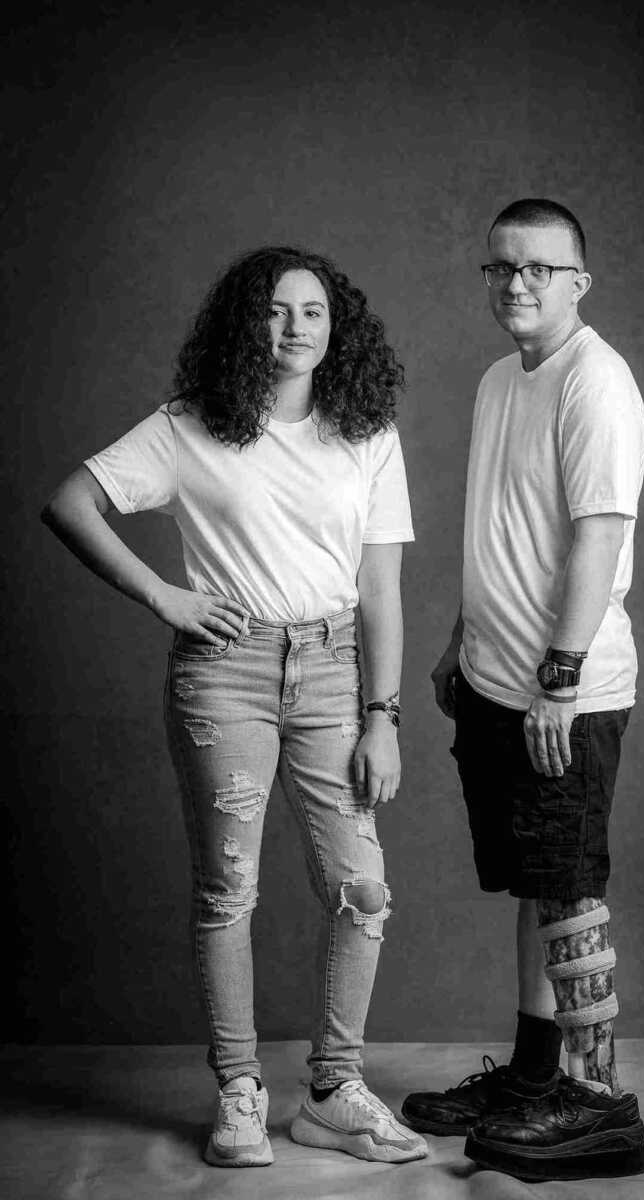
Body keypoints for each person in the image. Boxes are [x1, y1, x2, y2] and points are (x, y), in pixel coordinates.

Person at [41, 246, 428, 1168]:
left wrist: (384, 713)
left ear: (339, 330)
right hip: (227, 674)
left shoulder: (366, 430)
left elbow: (381, 587)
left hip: (336, 669)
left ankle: (333, 1090)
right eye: (275, 310)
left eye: (313, 311)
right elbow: (71, 503)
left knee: (361, 887)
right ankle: (242, 1091)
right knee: (230, 890)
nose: (294, 327)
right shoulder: (189, 427)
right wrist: (166, 597)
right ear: (243, 323)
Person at [401, 199, 644, 1183]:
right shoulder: (500, 379)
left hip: (565, 694)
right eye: (501, 267)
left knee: (565, 890)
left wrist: (559, 675)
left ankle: (599, 1109)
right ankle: (534, 1081)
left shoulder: (597, 382)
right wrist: (460, 645)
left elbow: (597, 531)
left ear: (577, 281)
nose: (515, 284)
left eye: (539, 269)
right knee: (529, 885)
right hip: (492, 682)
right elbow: (501, 527)